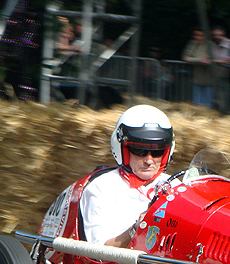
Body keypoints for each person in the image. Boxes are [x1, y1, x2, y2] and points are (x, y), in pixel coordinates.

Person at [80, 105, 175, 247]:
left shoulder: (176, 186)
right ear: (123, 150)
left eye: (157, 152)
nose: (149, 160)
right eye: (140, 150)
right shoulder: (101, 188)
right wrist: (137, 229)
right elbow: (97, 252)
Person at [182, 28, 215, 108]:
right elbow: (185, 57)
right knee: (196, 104)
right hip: (196, 78)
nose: (198, 37)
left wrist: (195, 59)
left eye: (200, 35)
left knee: (207, 105)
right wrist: (198, 60)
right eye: (196, 35)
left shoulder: (210, 45)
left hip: (209, 79)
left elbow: (208, 59)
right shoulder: (192, 44)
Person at [211, 26, 230, 113]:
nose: (217, 37)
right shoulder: (212, 44)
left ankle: (226, 113)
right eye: (215, 35)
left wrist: (214, 61)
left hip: (227, 75)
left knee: (226, 96)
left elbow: (228, 60)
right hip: (215, 75)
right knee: (218, 96)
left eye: (219, 35)